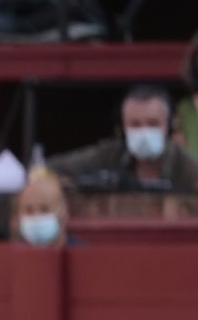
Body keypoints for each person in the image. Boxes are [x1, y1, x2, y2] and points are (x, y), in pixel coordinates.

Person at [48, 85, 198, 194]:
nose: (144, 131)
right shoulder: (107, 155)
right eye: (135, 124)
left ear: (169, 125)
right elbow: (48, 168)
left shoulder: (188, 167)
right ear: (121, 128)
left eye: (152, 123)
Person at [13, 167, 71, 248]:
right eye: (29, 210)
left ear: (64, 215)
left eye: (45, 210)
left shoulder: (84, 255)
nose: (36, 216)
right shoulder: (10, 257)